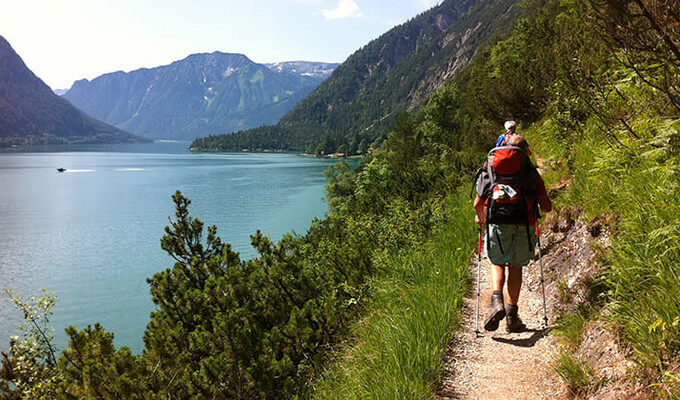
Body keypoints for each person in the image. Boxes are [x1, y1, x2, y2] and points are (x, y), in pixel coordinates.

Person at [473, 134, 552, 332]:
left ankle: (496, 299)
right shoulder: (530, 172)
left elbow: (477, 204)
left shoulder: (491, 169)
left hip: (497, 222)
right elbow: (546, 207)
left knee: (497, 262)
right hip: (524, 225)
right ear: (524, 151)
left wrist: (481, 217)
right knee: (515, 268)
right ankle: (511, 315)